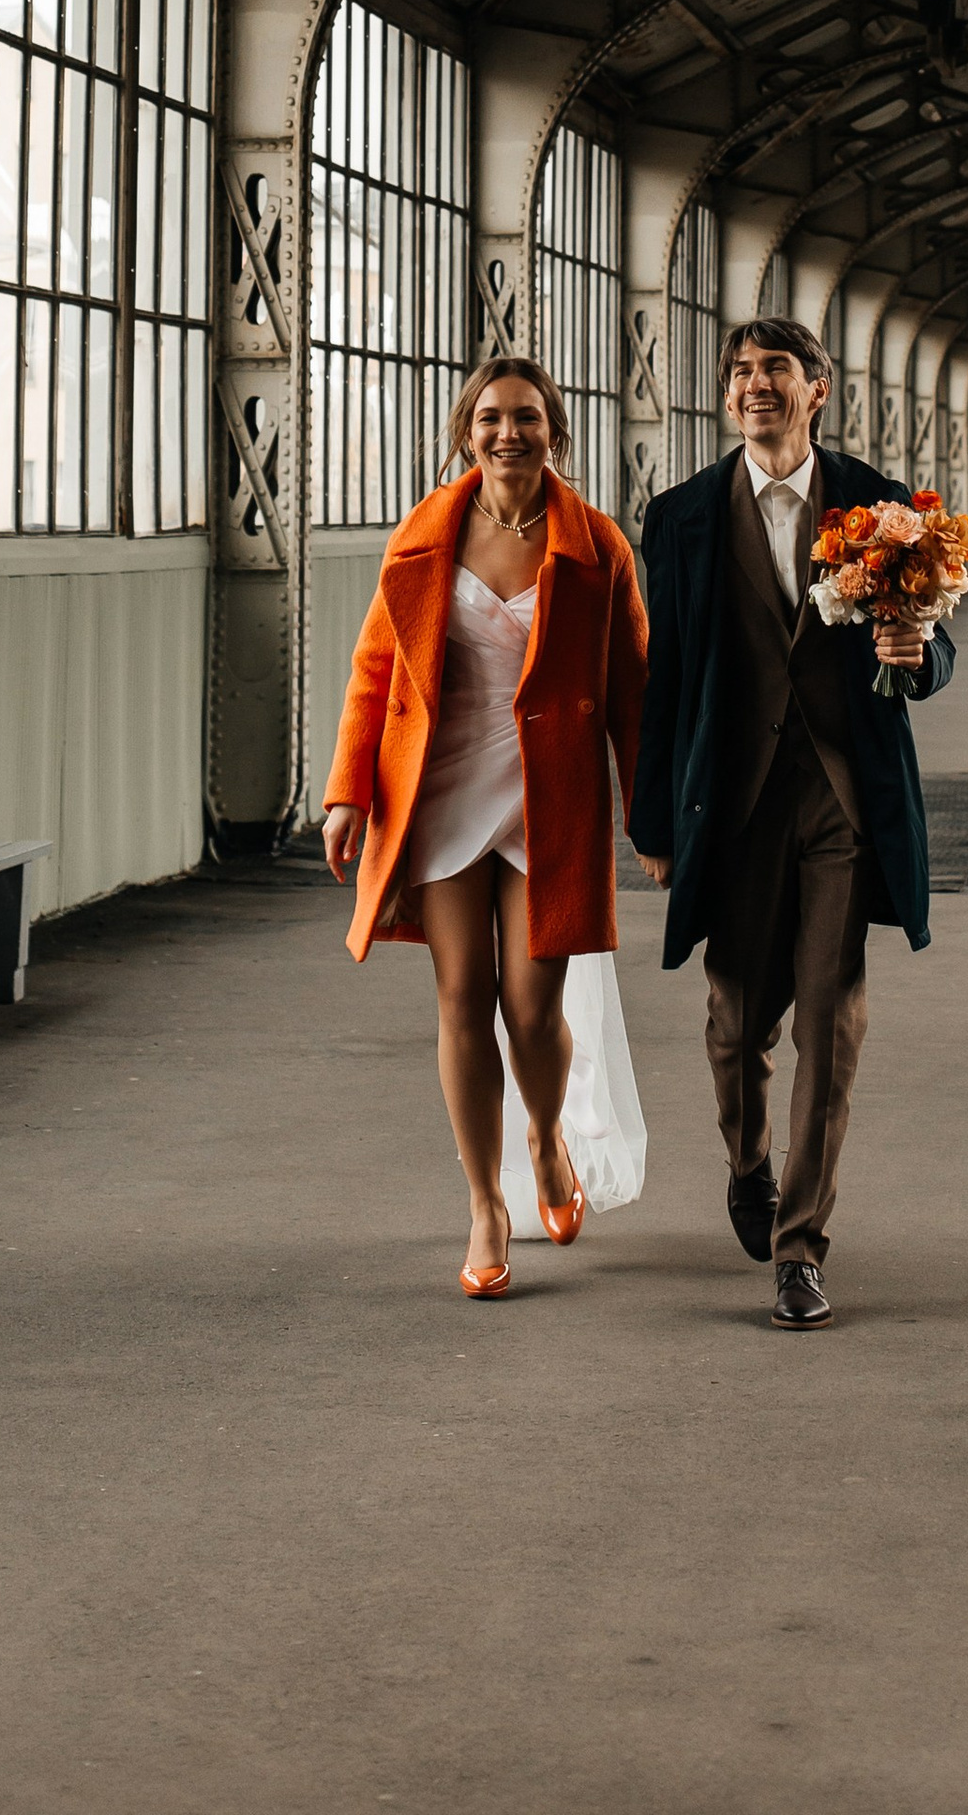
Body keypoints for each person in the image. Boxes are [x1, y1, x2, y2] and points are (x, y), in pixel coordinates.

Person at [630, 315, 955, 1330]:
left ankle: (801, 1248)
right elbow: (666, 681)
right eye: (738, 371)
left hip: (839, 800)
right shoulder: (679, 517)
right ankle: (747, 1164)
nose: (752, 384)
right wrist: (651, 823)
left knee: (831, 1020)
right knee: (734, 1025)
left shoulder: (884, 507)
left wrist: (917, 659)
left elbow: (937, 641)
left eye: (774, 368)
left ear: (816, 388)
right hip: (730, 803)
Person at [322, 358, 650, 1297]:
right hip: (442, 788)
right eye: (493, 418)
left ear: (555, 431)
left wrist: (651, 817)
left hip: (550, 798)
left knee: (532, 1008)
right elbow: (374, 671)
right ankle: (484, 1202)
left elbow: (633, 690)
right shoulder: (424, 539)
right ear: (468, 430)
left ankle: (547, 1138)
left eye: (529, 419)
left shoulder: (597, 549)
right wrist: (349, 793)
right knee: (462, 996)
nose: (511, 434)